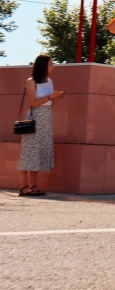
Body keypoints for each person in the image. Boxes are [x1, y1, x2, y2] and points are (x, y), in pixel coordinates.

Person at [17, 55, 66, 197]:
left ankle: (33, 186)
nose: (53, 66)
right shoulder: (31, 81)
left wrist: (57, 97)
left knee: (37, 153)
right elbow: (33, 103)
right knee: (28, 152)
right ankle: (23, 187)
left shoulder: (49, 81)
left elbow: (48, 103)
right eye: (51, 63)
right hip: (35, 118)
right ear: (43, 65)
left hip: (46, 118)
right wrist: (51, 96)